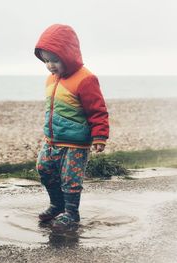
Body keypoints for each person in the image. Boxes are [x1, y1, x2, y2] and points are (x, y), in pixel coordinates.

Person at [34, 24, 109, 231]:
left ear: (68, 55)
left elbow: (98, 110)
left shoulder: (86, 79)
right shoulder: (51, 78)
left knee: (70, 179)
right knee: (44, 168)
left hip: (75, 143)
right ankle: (57, 205)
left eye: (55, 60)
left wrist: (99, 136)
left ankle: (71, 213)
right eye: (46, 60)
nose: (50, 65)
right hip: (52, 140)